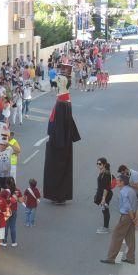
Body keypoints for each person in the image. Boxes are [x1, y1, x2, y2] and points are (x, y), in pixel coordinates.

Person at [43, 74, 81, 203]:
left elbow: (60, 124)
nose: (56, 83)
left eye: (58, 82)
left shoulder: (62, 103)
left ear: (63, 84)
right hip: (61, 139)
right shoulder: (63, 99)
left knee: (55, 168)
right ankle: (58, 195)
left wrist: (57, 142)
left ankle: (58, 195)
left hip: (59, 142)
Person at [101, 175, 138, 265]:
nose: (116, 183)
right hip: (132, 215)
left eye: (118, 181)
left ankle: (111, 258)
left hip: (126, 216)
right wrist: (135, 217)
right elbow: (136, 204)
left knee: (116, 236)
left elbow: (127, 207)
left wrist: (132, 218)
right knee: (130, 237)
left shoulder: (123, 192)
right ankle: (130, 257)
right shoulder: (131, 190)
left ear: (122, 182)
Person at [94, 158, 114, 234]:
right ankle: (105, 227)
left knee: (105, 210)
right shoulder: (102, 172)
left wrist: (103, 199)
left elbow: (106, 188)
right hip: (103, 194)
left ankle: (106, 228)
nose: (98, 165)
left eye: (100, 164)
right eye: (97, 164)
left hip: (105, 195)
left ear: (104, 164)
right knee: (104, 210)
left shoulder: (106, 174)